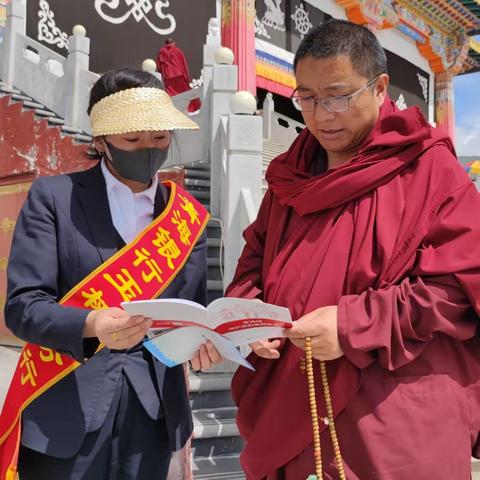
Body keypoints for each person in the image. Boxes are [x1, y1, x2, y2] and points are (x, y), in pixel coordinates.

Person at [226, 19, 480, 480]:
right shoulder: (290, 176)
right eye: (307, 98)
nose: (322, 115)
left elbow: (460, 287)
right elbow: (256, 258)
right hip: (291, 396)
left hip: (390, 413)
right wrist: (248, 311)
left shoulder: (429, 170)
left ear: (380, 87)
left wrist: (351, 324)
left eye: (339, 96)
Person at [0, 67, 221, 480]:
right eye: (133, 140)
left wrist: (204, 343)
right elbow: (23, 306)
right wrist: (90, 322)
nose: (149, 149)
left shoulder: (187, 216)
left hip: (153, 413)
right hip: (64, 409)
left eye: (159, 138)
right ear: (101, 141)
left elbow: (193, 312)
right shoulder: (54, 198)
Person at [156, 38, 201, 113]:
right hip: (180, 77)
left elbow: (159, 66)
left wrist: (163, 76)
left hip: (168, 78)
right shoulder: (178, 51)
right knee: (185, 93)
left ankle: (173, 111)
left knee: (171, 95)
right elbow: (184, 65)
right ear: (174, 43)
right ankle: (190, 109)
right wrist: (187, 78)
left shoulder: (161, 52)